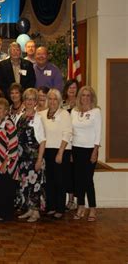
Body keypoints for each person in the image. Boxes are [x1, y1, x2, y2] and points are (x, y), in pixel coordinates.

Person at [71, 86, 101, 222]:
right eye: (83, 95)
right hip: (76, 149)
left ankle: (93, 208)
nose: (85, 98)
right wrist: (70, 150)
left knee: (88, 180)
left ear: (92, 97)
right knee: (78, 180)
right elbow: (71, 132)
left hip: (90, 150)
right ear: (79, 97)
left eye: (88, 95)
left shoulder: (96, 112)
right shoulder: (74, 112)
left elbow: (98, 133)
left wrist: (95, 150)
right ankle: (81, 206)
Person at [15, 88, 46, 222]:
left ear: (35, 102)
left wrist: (39, 160)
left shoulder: (38, 118)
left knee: (35, 185)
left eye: (32, 99)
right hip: (22, 159)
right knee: (25, 185)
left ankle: (36, 212)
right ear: (24, 100)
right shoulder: (19, 116)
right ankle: (29, 210)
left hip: (34, 158)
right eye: (27, 99)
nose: (29, 101)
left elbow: (43, 141)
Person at [40, 89, 72, 219]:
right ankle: (51, 207)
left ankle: (60, 208)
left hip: (61, 151)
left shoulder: (64, 114)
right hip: (47, 150)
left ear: (59, 101)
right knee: (50, 181)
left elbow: (68, 133)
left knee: (60, 181)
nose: (52, 101)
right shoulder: (42, 114)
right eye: (50, 99)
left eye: (55, 99)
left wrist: (60, 152)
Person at [61, 79, 79, 210]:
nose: (72, 89)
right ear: (66, 89)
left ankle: (76, 200)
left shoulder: (81, 104)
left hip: (78, 141)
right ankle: (69, 199)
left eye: (74, 87)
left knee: (75, 173)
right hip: (64, 142)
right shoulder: (62, 104)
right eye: (70, 87)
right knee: (66, 172)